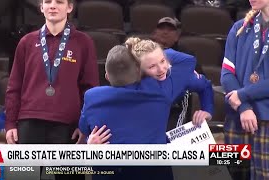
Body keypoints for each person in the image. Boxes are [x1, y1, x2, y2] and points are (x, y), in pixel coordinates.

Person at [79, 37, 212, 179]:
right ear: (139, 70)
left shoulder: (92, 97)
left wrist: (89, 144)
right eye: (152, 65)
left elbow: (85, 130)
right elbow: (188, 60)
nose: (160, 68)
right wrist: (151, 51)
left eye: (161, 62)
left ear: (106, 76)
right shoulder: (161, 89)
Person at [5, 0, 98, 179]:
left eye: (59, 2)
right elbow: (14, 86)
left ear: (69, 7)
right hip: (29, 122)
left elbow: (90, 88)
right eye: (48, 2)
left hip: (68, 125)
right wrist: (10, 123)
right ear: (41, 7)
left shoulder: (83, 42)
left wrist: (84, 124)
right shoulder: (27, 41)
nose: (52, 6)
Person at [221, 1, 269, 179]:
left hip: (266, 119)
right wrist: (244, 107)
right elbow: (226, 73)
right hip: (237, 118)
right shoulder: (239, 27)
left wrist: (242, 95)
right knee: (229, 175)